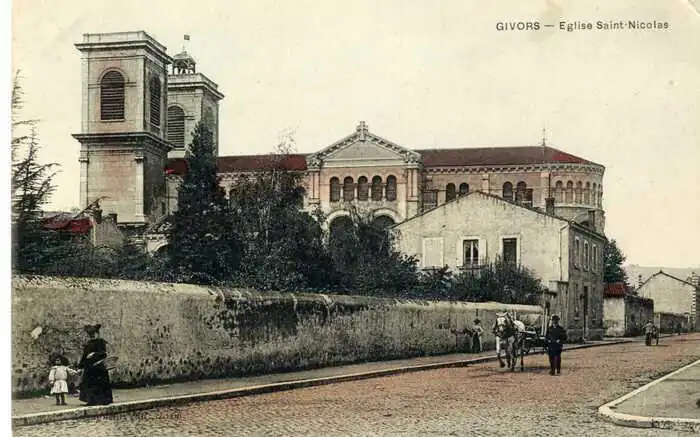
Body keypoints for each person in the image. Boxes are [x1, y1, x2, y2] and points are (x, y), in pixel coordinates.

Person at [78, 324, 113, 406]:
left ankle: (104, 399)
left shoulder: (101, 342)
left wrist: (94, 354)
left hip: (99, 367)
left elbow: (103, 353)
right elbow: (84, 356)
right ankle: (91, 400)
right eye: (90, 335)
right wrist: (80, 366)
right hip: (89, 367)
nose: (92, 336)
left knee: (100, 383)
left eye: (93, 334)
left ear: (97, 333)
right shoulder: (88, 344)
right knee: (90, 384)